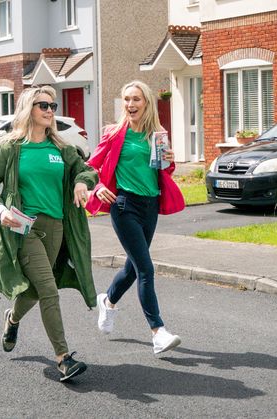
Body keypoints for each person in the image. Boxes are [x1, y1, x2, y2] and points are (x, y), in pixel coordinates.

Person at [0, 85, 98, 381]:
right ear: (28, 109)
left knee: (34, 291)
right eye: (43, 105)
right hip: (24, 229)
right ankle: (63, 358)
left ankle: (12, 318)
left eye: (52, 106)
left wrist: (81, 182)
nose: (49, 111)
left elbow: (87, 170)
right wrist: (0, 210)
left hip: (56, 227)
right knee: (48, 290)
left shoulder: (61, 148)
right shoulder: (11, 147)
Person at [85, 80, 185, 354]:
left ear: (146, 103)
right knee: (146, 268)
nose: (130, 104)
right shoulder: (114, 133)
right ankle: (158, 332)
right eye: (127, 99)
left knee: (133, 267)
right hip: (123, 204)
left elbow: (160, 171)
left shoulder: (157, 135)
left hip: (149, 205)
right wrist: (98, 186)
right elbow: (89, 167)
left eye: (136, 99)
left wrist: (171, 161)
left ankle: (108, 302)